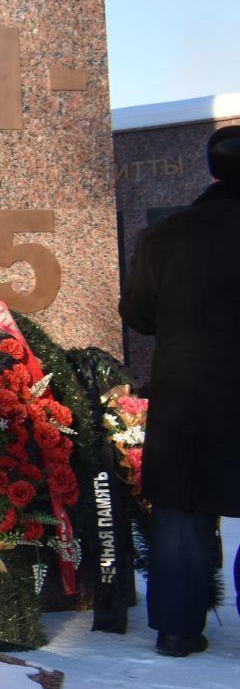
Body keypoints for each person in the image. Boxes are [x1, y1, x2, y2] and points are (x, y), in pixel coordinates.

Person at [119, 124, 240, 658]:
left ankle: (177, 629)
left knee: (181, 516)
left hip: (191, 397)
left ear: (211, 171)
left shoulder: (167, 236)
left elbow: (140, 316)